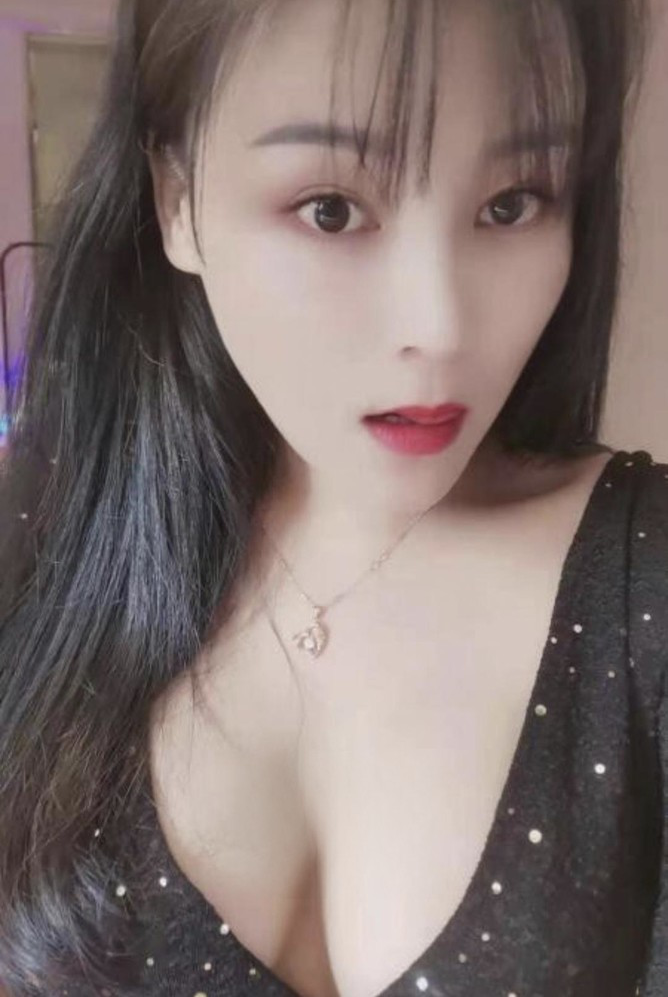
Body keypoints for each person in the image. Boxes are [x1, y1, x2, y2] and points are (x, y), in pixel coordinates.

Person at [0, 0, 665, 994]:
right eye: (330, 210)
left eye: (512, 203)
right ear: (175, 199)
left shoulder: (641, 587)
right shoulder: (52, 561)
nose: (439, 324)